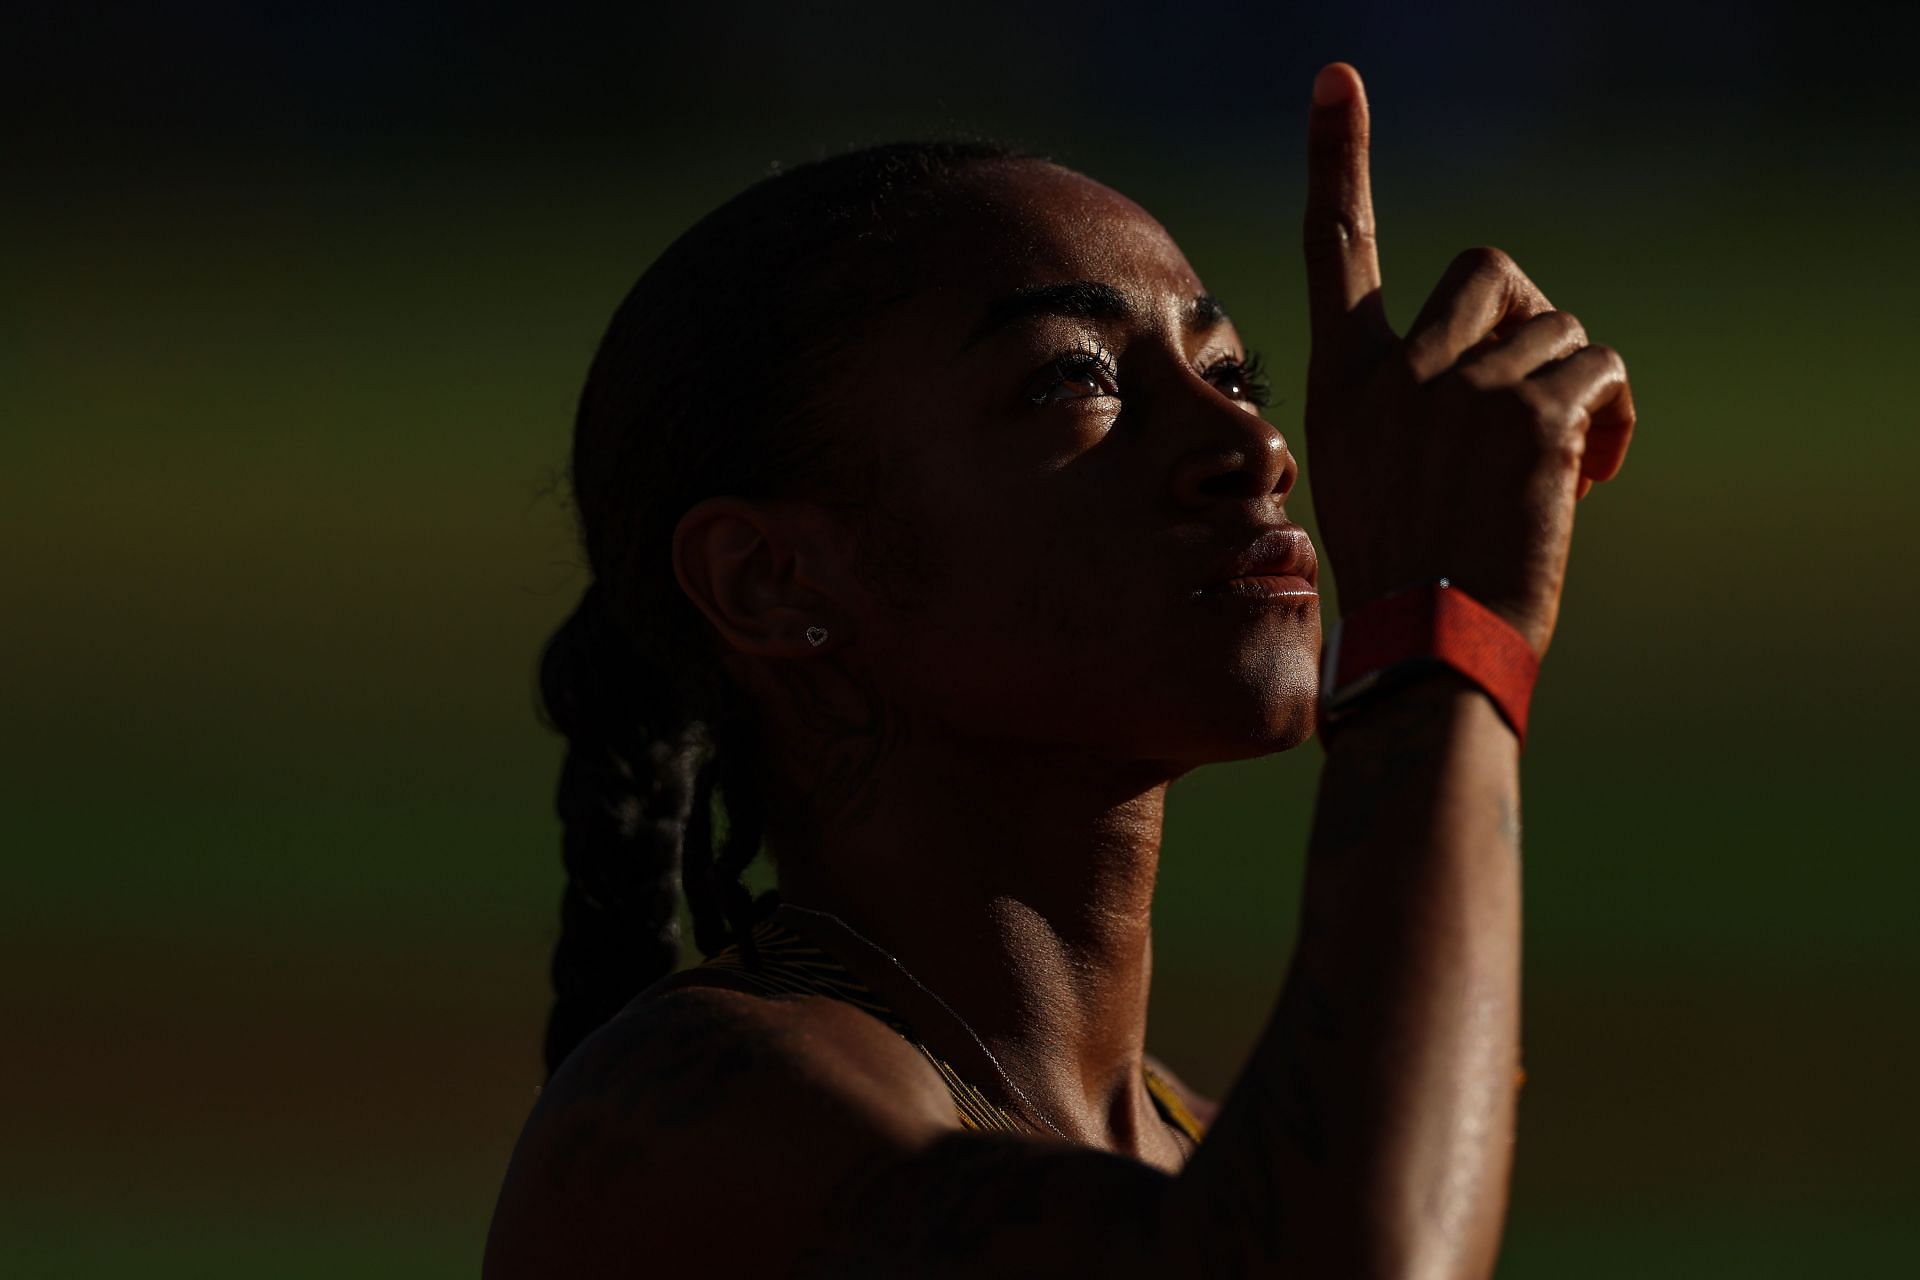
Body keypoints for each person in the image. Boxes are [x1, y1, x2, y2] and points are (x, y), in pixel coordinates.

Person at [482, 59, 1635, 1279]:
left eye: (1234, 375)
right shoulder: (705, 1120)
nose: (1254, 444)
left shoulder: (1192, 1138)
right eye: (1072, 379)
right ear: (773, 582)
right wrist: (1438, 635)